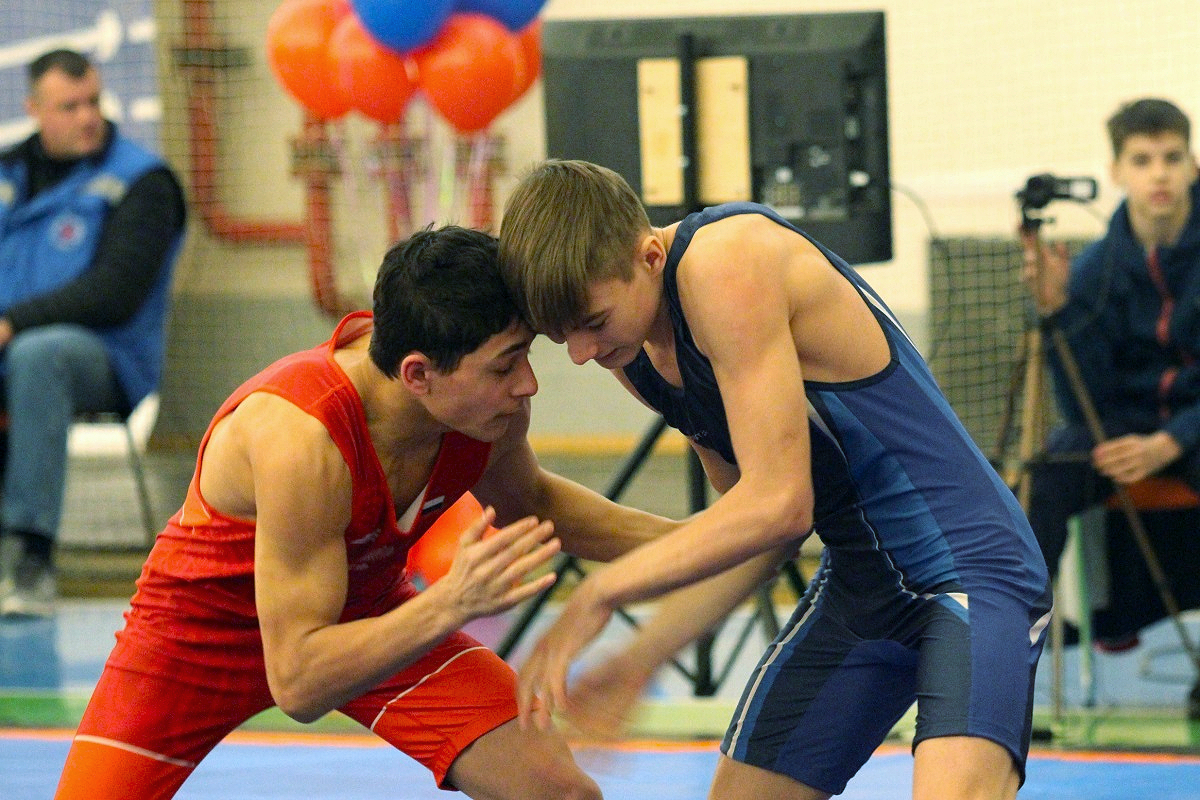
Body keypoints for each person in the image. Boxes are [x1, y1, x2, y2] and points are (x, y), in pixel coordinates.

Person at [53, 225, 678, 799]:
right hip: (197, 637)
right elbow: (297, 683)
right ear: (417, 374)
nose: (527, 385)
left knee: (562, 792)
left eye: (525, 356)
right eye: (504, 364)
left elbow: (536, 507)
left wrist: (706, 541)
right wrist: (450, 602)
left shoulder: (486, 411)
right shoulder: (302, 438)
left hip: (368, 614)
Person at [498, 159, 1053, 800]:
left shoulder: (725, 261)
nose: (581, 354)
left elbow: (782, 505)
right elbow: (754, 536)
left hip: (971, 570)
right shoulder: (635, 351)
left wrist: (601, 594)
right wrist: (639, 659)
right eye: (560, 336)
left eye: (592, 323)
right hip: (862, 588)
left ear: (649, 254)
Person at [1019, 98, 1200, 715]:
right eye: (1143, 160)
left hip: (1193, 430)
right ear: (1118, 169)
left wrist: (1174, 439)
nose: (1160, 175)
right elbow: (1085, 406)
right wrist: (1058, 312)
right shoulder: (1095, 269)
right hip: (1128, 429)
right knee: (1052, 470)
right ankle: (1013, 644)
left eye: (1173, 158)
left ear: (1192, 164)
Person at [0, 48, 186, 617]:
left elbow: (114, 293)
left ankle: (32, 559)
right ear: (34, 108)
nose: (87, 117)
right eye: (69, 106)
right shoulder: (7, 172)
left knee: (39, 355)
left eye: (94, 103)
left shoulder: (142, 181)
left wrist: (11, 324)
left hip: (104, 356)